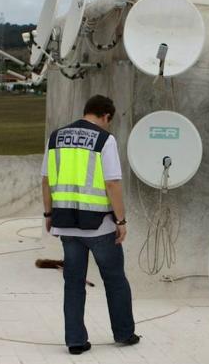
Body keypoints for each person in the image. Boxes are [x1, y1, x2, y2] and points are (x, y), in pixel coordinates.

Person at [40, 95, 139, 355]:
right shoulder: (104, 139)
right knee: (115, 280)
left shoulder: (56, 137)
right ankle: (124, 333)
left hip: (66, 225)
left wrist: (48, 214)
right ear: (106, 116)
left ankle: (75, 341)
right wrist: (121, 220)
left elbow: (46, 180)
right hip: (100, 226)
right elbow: (112, 184)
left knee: (73, 283)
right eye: (109, 121)